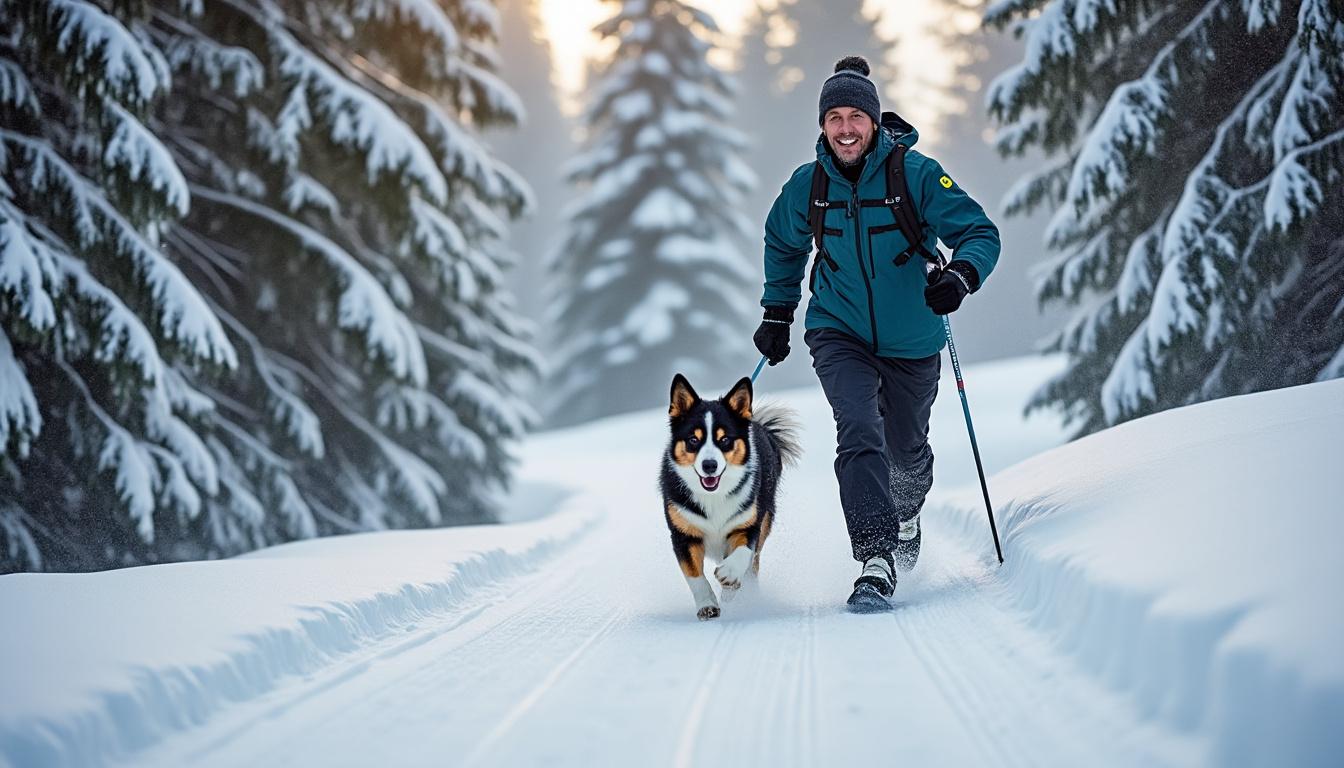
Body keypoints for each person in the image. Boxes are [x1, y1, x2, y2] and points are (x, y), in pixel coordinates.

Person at [752, 55, 1000, 612]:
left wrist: (961, 276)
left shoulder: (914, 174)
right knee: (859, 429)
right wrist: (777, 312)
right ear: (822, 124)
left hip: (913, 339)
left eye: (854, 117)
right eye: (834, 117)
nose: (844, 129)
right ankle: (875, 558)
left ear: (872, 120)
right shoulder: (808, 186)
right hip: (837, 330)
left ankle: (906, 514)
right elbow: (783, 243)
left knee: (906, 452)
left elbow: (980, 231)